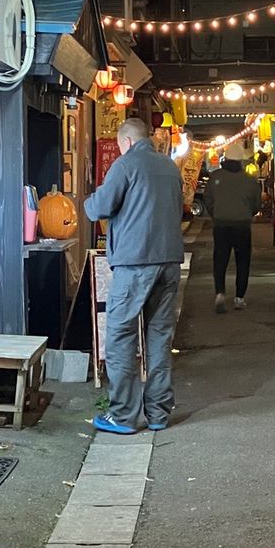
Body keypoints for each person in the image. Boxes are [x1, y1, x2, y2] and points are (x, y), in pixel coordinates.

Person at [83, 117, 184, 434]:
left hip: (134, 263)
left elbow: (99, 207)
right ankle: (157, 413)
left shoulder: (125, 165)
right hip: (168, 261)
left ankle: (123, 415)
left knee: (122, 336)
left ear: (125, 141)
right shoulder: (170, 168)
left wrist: (90, 198)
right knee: (159, 338)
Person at [204, 147, 262, 312]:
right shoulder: (249, 180)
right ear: (241, 161)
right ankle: (239, 297)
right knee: (243, 261)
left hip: (221, 225)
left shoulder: (216, 177)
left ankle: (220, 294)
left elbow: (208, 199)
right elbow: (256, 204)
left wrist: (216, 213)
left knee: (220, 260)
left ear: (225, 159)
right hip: (242, 225)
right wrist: (247, 213)